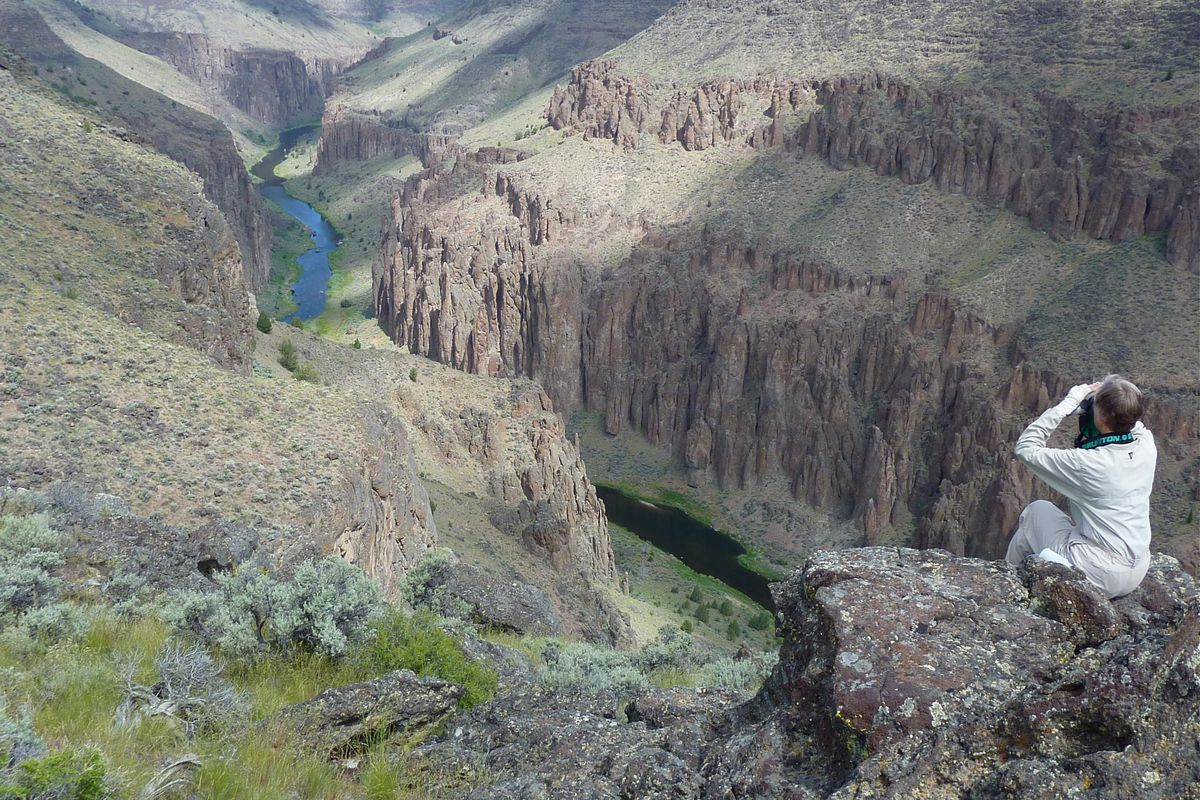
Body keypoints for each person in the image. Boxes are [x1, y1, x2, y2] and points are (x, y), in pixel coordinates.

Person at [1006, 374, 1156, 598]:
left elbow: (1026, 448)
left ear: (1101, 417)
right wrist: (1104, 404)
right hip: (1137, 569)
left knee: (1036, 512)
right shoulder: (1146, 444)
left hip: (1099, 573)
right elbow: (1129, 421)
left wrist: (1069, 404)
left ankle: (1008, 585)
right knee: (1056, 527)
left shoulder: (1088, 463)